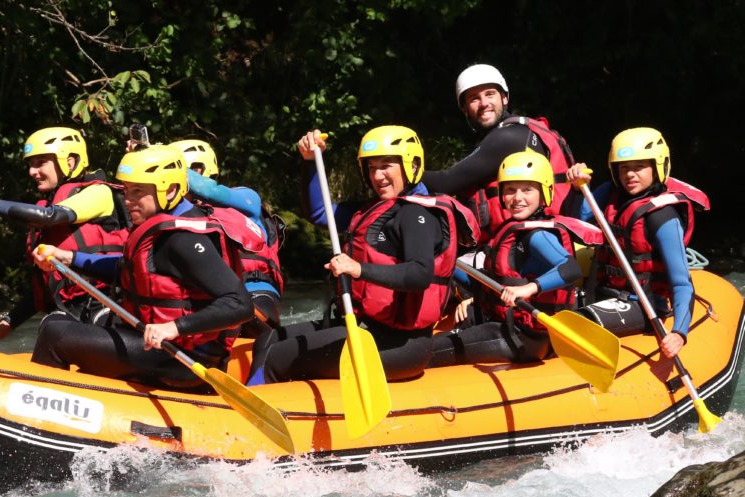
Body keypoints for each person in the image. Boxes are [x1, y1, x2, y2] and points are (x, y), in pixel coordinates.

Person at [249, 125, 477, 384]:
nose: (378, 176)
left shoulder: (418, 215)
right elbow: (319, 214)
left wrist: (358, 269)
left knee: (277, 357)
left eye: (386, 166)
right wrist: (311, 163)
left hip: (400, 346)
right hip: (367, 328)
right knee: (269, 339)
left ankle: (252, 419)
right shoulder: (376, 208)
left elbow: (419, 274)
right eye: (371, 168)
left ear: (411, 165)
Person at [30, 145, 255, 388]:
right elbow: (128, 269)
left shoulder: (184, 240)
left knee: (55, 335)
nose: (128, 201)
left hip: (181, 359)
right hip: (154, 346)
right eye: (126, 191)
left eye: (138, 192)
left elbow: (240, 304)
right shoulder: (159, 226)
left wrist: (173, 328)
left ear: (169, 190)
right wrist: (66, 258)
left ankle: (38, 411)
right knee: (57, 321)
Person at [431, 151, 602, 366]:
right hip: (503, 321)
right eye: (510, 190)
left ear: (544, 193)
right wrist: (445, 262)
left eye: (527, 190)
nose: (517, 198)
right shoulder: (511, 230)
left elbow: (570, 269)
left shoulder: (538, 235)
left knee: (429, 351)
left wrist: (528, 289)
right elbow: (487, 287)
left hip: (525, 337)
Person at [0, 127, 130, 345]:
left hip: (104, 310)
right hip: (66, 314)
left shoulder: (98, 193)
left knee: (53, 328)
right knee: (51, 324)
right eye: (30, 165)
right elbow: (41, 291)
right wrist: (3, 327)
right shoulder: (45, 213)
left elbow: (49, 216)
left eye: (40, 163)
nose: (32, 172)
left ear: (70, 161)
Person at [566, 127, 709, 359]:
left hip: (644, 304)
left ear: (657, 166)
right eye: (624, 168)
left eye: (639, 167)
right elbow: (575, 222)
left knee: (577, 324)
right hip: (602, 293)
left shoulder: (663, 217)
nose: (630, 175)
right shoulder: (609, 193)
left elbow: (682, 283)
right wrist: (577, 188)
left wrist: (679, 333)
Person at [422, 64, 577, 236]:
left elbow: (445, 182)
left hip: (532, 238)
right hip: (522, 234)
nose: (484, 103)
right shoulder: (515, 131)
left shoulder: (509, 137)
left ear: (504, 98)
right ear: (464, 109)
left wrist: (399, 169)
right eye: (474, 98)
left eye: (490, 94)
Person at [169, 138, 285, 330]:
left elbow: (208, 190)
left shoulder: (247, 198)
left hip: (255, 292)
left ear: (198, 170)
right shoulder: (175, 216)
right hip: (210, 298)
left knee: (244, 320)